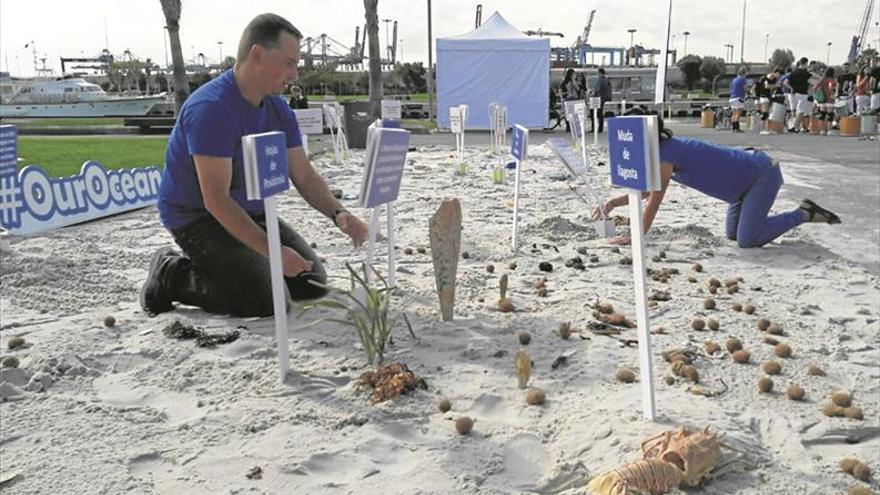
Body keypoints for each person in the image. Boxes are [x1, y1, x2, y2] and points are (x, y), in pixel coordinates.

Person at [141, 13, 369, 317]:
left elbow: (302, 173)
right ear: (257, 55)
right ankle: (172, 273)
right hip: (197, 218)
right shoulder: (212, 109)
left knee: (311, 284)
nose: (295, 75)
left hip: (252, 210)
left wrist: (338, 213)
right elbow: (216, 199)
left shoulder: (277, 108)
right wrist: (273, 252)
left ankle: (246, 267)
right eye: (288, 62)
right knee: (266, 300)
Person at [593, 110, 841, 248]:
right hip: (740, 187)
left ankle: (804, 213)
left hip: (760, 175)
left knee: (747, 240)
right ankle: (793, 215)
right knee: (734, 234)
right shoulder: (661, 150)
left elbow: (655, 200)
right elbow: (647, 192)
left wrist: (637, 236)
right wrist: (613, 203)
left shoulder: (665, 155)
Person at [784, 57, 812, 132]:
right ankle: (794, 126)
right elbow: (813, 81)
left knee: (793, 110)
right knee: (801, 111)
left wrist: (791, 88)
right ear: (805, 63)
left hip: (793, 94)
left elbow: (785, 82)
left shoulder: (793, 72)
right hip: (802, 93)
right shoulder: (805, 73)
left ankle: (794, 125)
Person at [813, 67, 837, 135]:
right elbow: (831, 87)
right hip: (830, 99)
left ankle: (822, 130)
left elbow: (814, 88)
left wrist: (817, 95)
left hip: (822, 99)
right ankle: (829, 130)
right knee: (830, 115)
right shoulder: (832, 80)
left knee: (822, 115)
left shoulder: (822, 79)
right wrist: (833, 94)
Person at [590, 67, 612, 133]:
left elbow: (597, 90)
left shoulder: (600, 80)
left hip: (597, 99)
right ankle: (600, 128)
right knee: (600, 114)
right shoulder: (606, 80)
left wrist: (592, 92)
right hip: (603, 99)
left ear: (600, 73)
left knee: (593, 113)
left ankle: (594, 128)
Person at [729, 67, 749, 133]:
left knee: (734, 113)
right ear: (744, 73)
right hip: (739, 98)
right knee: (738, 113)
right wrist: (748, 91)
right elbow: (745, 88)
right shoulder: (743, 79)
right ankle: (736, 128)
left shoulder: (734, 79)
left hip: (732, 98)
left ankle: (733, 127)